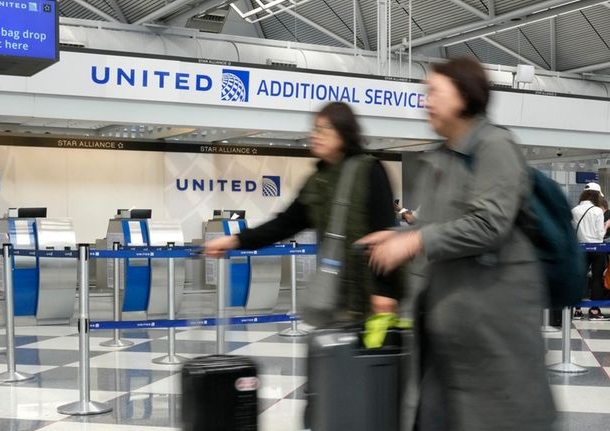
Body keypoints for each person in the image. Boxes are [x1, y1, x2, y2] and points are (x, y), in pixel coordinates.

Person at [358, 57, 555, 431]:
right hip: (447, 333)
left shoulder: (495, 146)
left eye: (435, 92)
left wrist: (414, 241)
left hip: (489, 335)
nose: (425, 101)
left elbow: (488, 224)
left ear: (463, 96)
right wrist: (398, 237)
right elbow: (440, 227)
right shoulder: (443, 158)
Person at [202, 101, 401, 321]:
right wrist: (234, 241)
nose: (315, 135)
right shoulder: (317, 181)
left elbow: (387, 234)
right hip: (336, 296)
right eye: (314, 129)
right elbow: (285, 224)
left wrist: (385, 291)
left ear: (344, 133)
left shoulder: (370, 171)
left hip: (372, 297)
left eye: (323, 129)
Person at [572, 183, 609, 320]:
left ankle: (577, 310)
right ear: (596, 195)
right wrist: (606, 226)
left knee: (579, 278)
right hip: (597, 248)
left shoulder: (575, 210)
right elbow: (600, 235)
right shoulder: (597, 211)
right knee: (597, 278)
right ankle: (594, 311)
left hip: (580, 248)